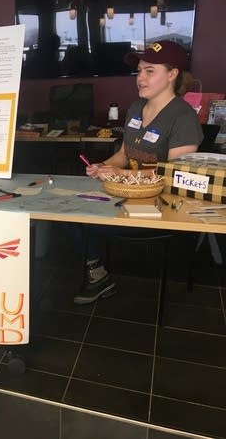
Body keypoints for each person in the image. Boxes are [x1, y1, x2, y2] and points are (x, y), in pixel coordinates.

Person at [74, 40, 203, 305]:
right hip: (125, 194)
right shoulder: (135, 108)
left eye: (149, 71)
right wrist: (104, 166)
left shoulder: (184, 117)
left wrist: (119, 176)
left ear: (172, 74)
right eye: (139, 71)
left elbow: (174, 174)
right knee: (72, 211)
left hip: (161, 205)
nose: (140, 78)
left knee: (86, 220)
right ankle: (98, 274)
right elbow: (124, 155)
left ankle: (97, 274)